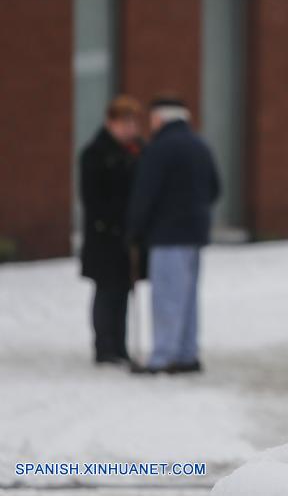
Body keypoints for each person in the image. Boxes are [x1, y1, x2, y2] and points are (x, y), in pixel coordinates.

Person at [127, 97, 220, 375]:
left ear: (161, 119)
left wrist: (134, 229)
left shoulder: (160, 149)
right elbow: (215, 188)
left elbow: (146, 193)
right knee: (188, 298)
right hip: (195, 234)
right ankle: (186, 353)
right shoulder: (200, 145)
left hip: (167, 235)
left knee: (167, 297)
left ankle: (163, 357)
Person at [79, 95, 145, 366]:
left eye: (133, 123)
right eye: (125, 123)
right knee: (107, 291)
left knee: (124, 291)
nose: (131, 129)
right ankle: (104, 346)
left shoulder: (138, 151)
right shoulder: (95, 154)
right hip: (105, 237)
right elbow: (92, 198)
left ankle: (120, 345)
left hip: (127, 237)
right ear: (111, 123)